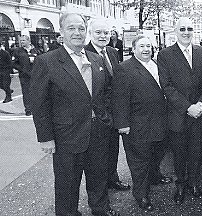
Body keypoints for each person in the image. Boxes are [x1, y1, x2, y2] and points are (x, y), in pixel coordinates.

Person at [30, 13, 120, 216]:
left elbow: (105, 91)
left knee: (98, 177)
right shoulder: (47, 61)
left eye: (81, 28)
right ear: (61, 32)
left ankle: (101, 209)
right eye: (71, 28)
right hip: (66, 137)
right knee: (67, 184)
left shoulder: (96, 58)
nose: (77, 33)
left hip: (98, 131)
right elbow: (39, 104)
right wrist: (46, 138)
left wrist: (106, 118)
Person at [157, 17, 202, 204]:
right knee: (179, 154)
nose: (186, 32)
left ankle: (194, 183)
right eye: (182, 28)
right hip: (178, 115)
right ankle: (180, 185)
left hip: (198, 114)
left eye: (189, 28)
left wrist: (200, 105)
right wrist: (188, 107)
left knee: (196, 152)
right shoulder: (165, 55)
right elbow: (167, 86)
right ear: (175, 31)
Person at [112, 35, 170, 211]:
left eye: (149, 46)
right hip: (138, 125)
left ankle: (155, 176)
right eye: (142, 46)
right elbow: (119, 98)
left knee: (156, 154)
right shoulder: (124, 69)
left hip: (160, 122)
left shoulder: (157, 65)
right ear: (134, 49)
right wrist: (122, 124)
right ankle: (142, 195)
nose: (146, 49)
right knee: (139, 163)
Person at [84, 19, 131, 192]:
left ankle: (113, 178)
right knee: (99, 155)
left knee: (113, 149)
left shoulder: (112, 51)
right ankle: (101, 187)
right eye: (98, 32)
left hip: (115, 112)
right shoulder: (84, 53)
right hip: (98, 115)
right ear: (91, 33)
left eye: (106, 32)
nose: (103, 36)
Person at [12, 35, 41, 116]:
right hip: (24, 76)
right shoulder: (18, 51)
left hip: (36, 75)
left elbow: (42, 62)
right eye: (21, 41)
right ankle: (28, 109)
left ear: (29, 41)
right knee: (26, 93)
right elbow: (13, 63)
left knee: (37, 92)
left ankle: (37, 108)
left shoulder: (35, 50)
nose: (22, 42)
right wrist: (22, 69)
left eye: (23, 40)